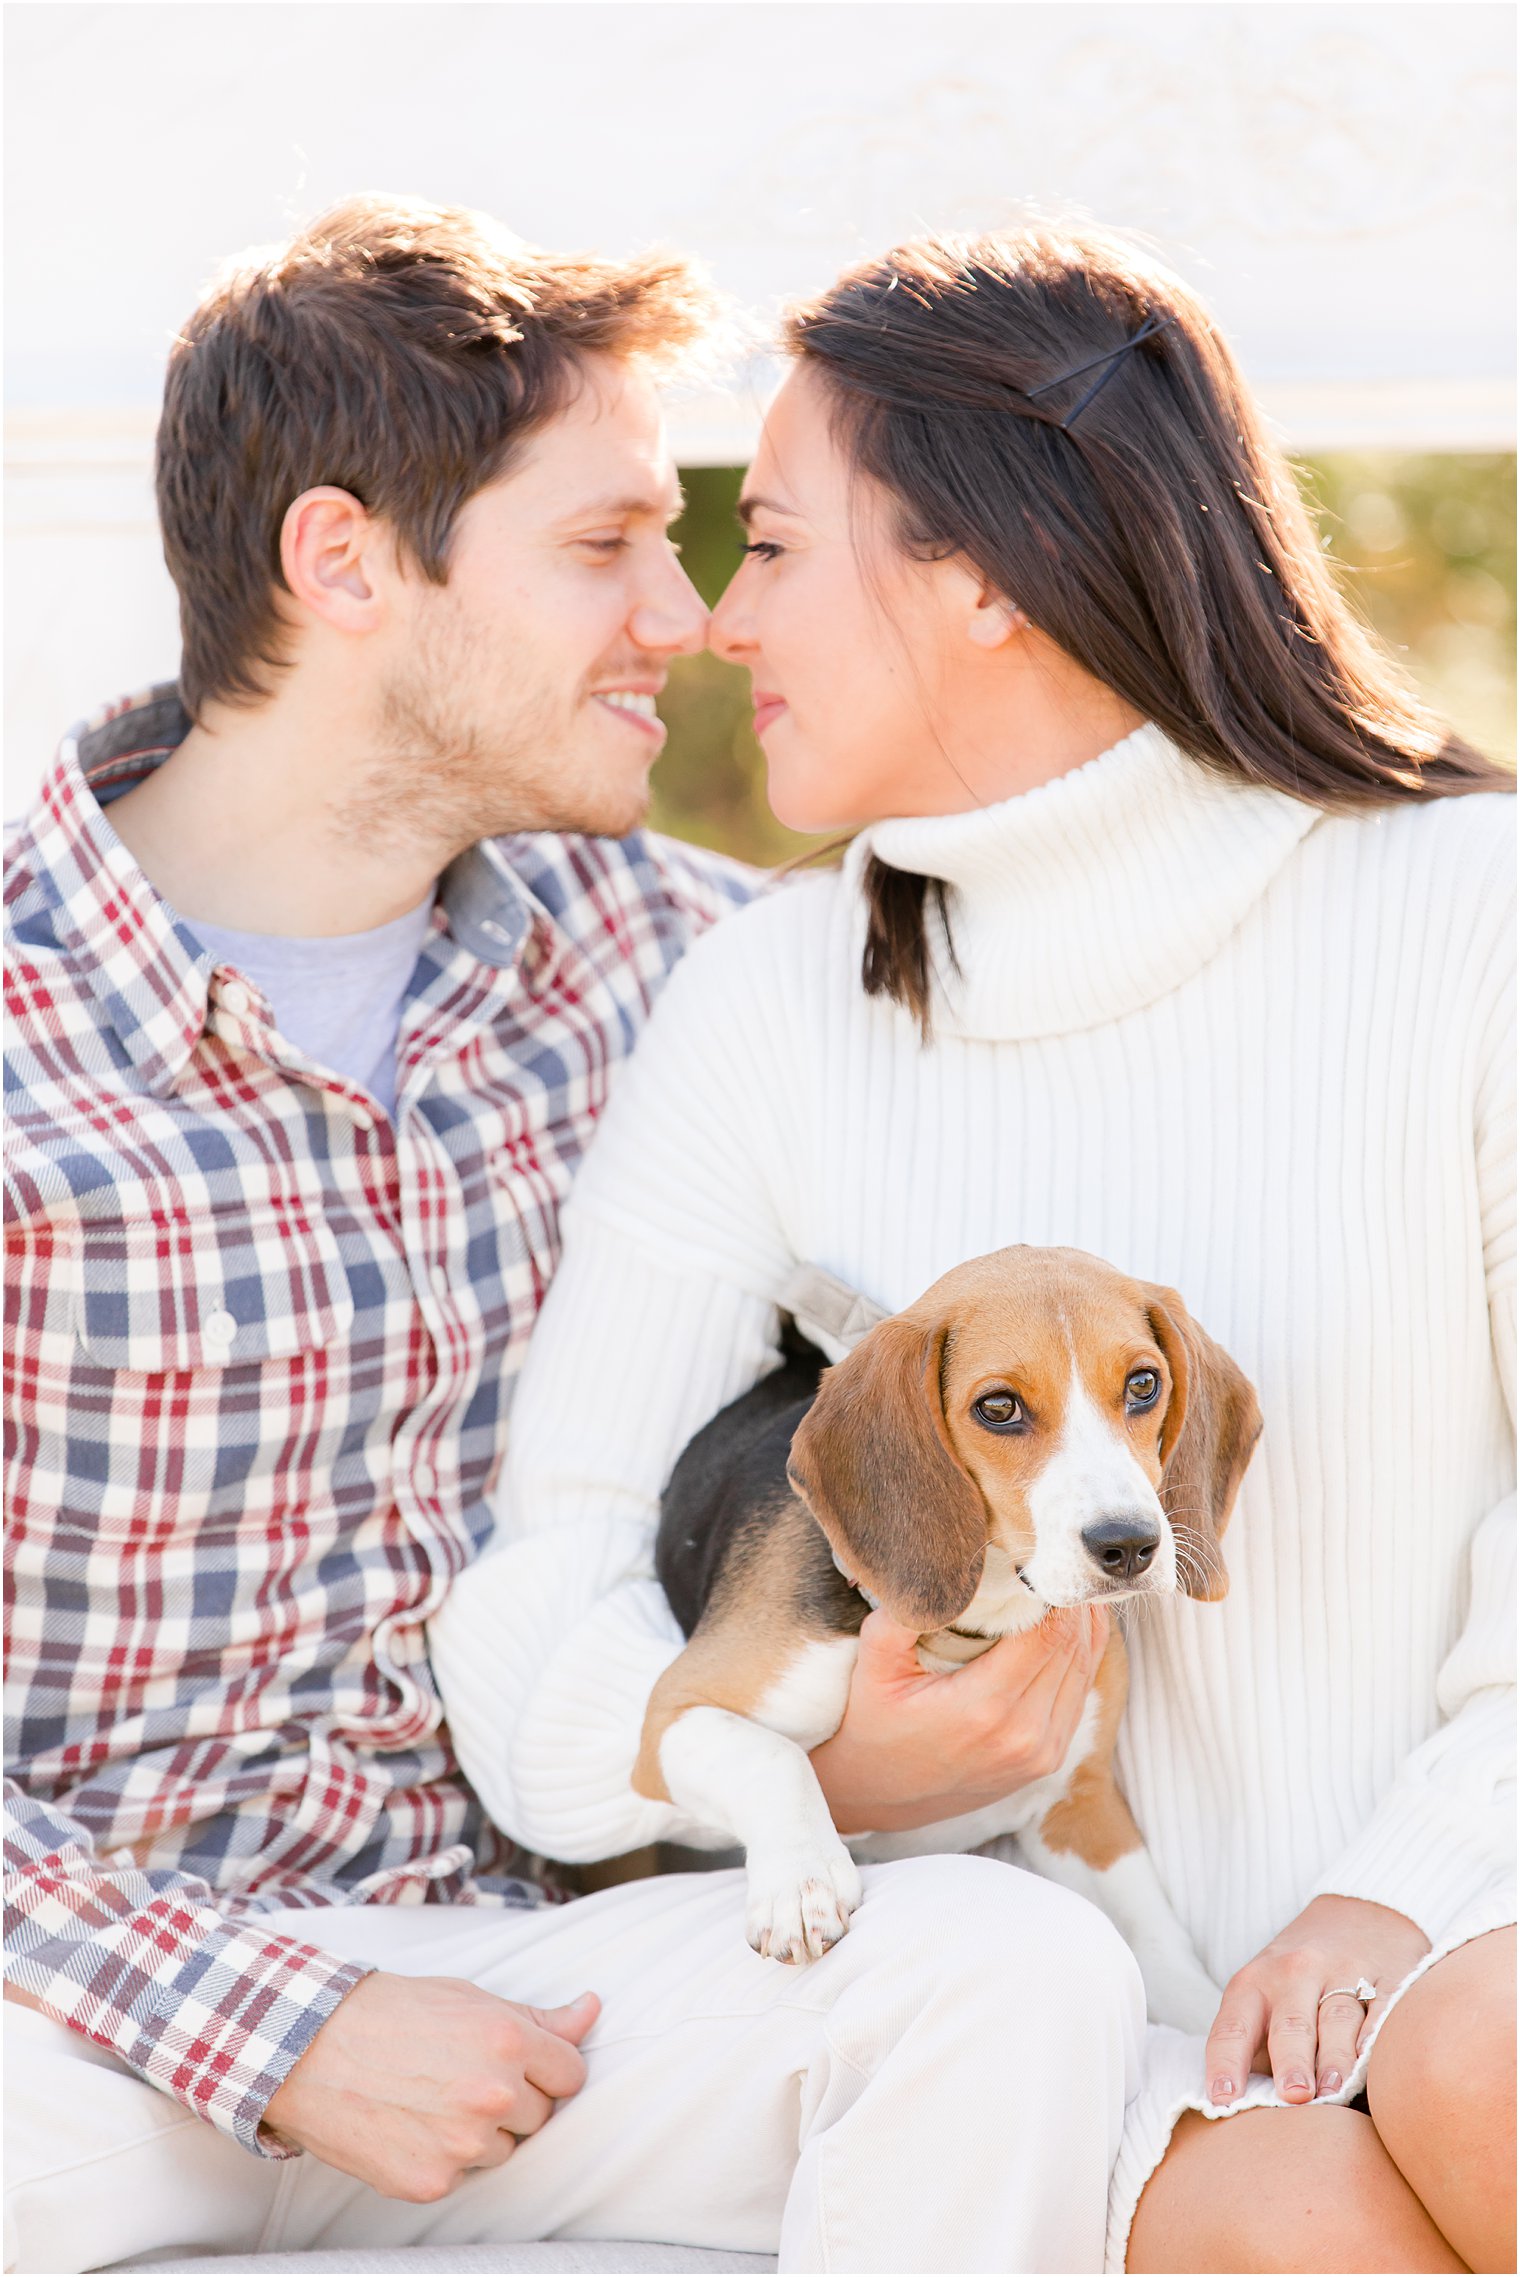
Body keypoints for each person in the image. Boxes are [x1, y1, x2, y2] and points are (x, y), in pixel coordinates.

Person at [3, 195, 1145, 2277]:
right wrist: (284, 2023)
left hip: (551, 1998)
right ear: (343, 561)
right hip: (79, 2022)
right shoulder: (19, 1048)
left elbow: (1090, 1064)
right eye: (604, 544)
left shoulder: (701, 975)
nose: (687, 613)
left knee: (1012, 1977)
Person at [432, 221, 1516, 2274]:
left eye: (773, 543)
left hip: (1476, 1895)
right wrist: (813, 1748)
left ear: (990, 575)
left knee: (1489, 2050)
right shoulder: (758, 1008)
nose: (707, 618)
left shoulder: (1471, 908)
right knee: (1295, 2213)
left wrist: (1403, 1889)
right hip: (1116, 2018)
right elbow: (538, 1589)